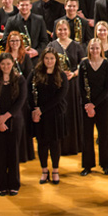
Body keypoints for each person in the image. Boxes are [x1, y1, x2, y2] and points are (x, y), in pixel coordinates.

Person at [30, 48, 69, 185]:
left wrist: (41, 110)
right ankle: (44, 170)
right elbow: (29, 92)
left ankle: (55, 170)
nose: (49, 61)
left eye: (52, 58)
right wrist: (34, 110)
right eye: (46, 58)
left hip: (55, 114)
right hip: (40, 116)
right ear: (43, 59)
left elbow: (59, 97)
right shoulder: (35, 73)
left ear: (56, 60)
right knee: (42, 143)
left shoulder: (61, 75)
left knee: (54, 144)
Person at [0, 53, 28, 196]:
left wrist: (5, 117)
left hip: (14, 121)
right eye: (2, 64)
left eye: (8, 63)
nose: (5, 67)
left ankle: (13, 184)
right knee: (0, 154)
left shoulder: (20, 79)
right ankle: (1, 184)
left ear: (12, 64)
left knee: (13, 153)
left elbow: (21, 101)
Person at [47, 20, 86, 156]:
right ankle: (59, 146)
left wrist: (74, 73)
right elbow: (47, 63)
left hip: (73, 84)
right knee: (59, 113)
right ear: (55, 31)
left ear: (69, 30)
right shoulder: (51, 45)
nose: (62, 32)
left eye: (65, 29)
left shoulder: (76, 45)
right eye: (59, 30)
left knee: (72, 112)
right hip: (57, 84)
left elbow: (83, 64)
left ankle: (74, 145)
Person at [78, 38, 108, 176]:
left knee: (104, 136)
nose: (94, 51)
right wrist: (88, 104)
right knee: (87, 136)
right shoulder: (83, 64)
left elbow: (107, 89)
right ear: (89, 49)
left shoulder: (107, 64)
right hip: (86, 105)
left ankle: (105, 165)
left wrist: (94, 104)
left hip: (103, 105)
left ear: (101, 49)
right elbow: (80, 87)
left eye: (97, 48)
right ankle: (87, 166)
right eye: (92, 48)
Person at [2, 31, 35, 163]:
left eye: (17, 41)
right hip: (9, 95)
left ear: (21, 42)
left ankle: (24, 154)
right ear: (8, 43)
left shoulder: (25, 57)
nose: (14, 43)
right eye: (12, 41)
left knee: (23, 124)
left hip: (22, 94)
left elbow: (29, 76)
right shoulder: (5, 57)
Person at [4, 0, 50, 65]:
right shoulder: (11, 21)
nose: (24, 7)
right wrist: (19, 51)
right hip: (18, 59)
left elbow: (44, 40)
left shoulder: (39, 20)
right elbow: (5, 40)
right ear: (18, 6)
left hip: (36, 59)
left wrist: (37, 51)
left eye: (26, 5)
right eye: (22, 5)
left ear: (31, 6)